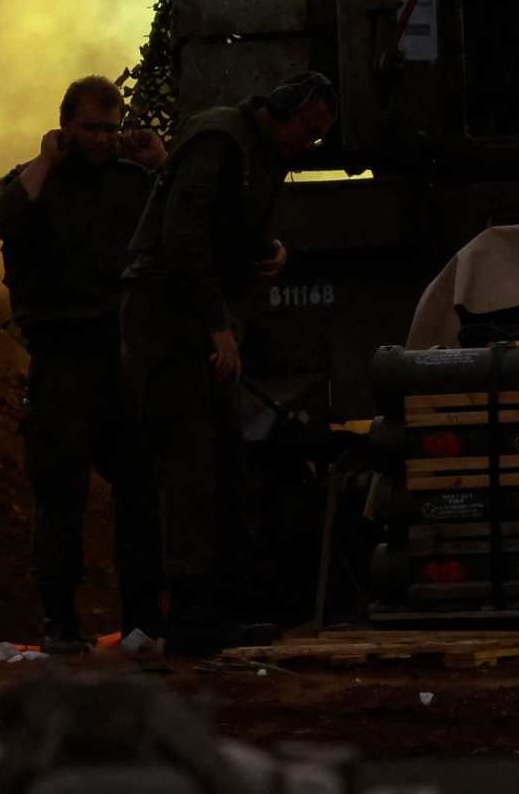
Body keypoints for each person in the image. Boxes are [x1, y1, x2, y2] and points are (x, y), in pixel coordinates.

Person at [120, 69, 337, 656]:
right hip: (169, 320)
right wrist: (218, 329)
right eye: (308, 133)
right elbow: (183, 240)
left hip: (198, 319)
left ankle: (214, 608)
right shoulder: (220, 140)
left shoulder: (256, 154)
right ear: (286, 113)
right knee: (190, 463)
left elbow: (228, 232)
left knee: (219, 461)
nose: (309, 147)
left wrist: (270, 253)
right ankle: (189, 618)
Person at [0, 76, 167, 654]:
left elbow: (187, 220)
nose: (103, 139)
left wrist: (161, 164)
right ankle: (60, 623)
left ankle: (142, 623)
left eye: (111, 128)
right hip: (61, 358)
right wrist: (45, 160)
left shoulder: (134, 182)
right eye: (90, 127)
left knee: (140, 492)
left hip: (121, 356)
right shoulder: (34, 182)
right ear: (65, 125)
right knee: (60, 495)